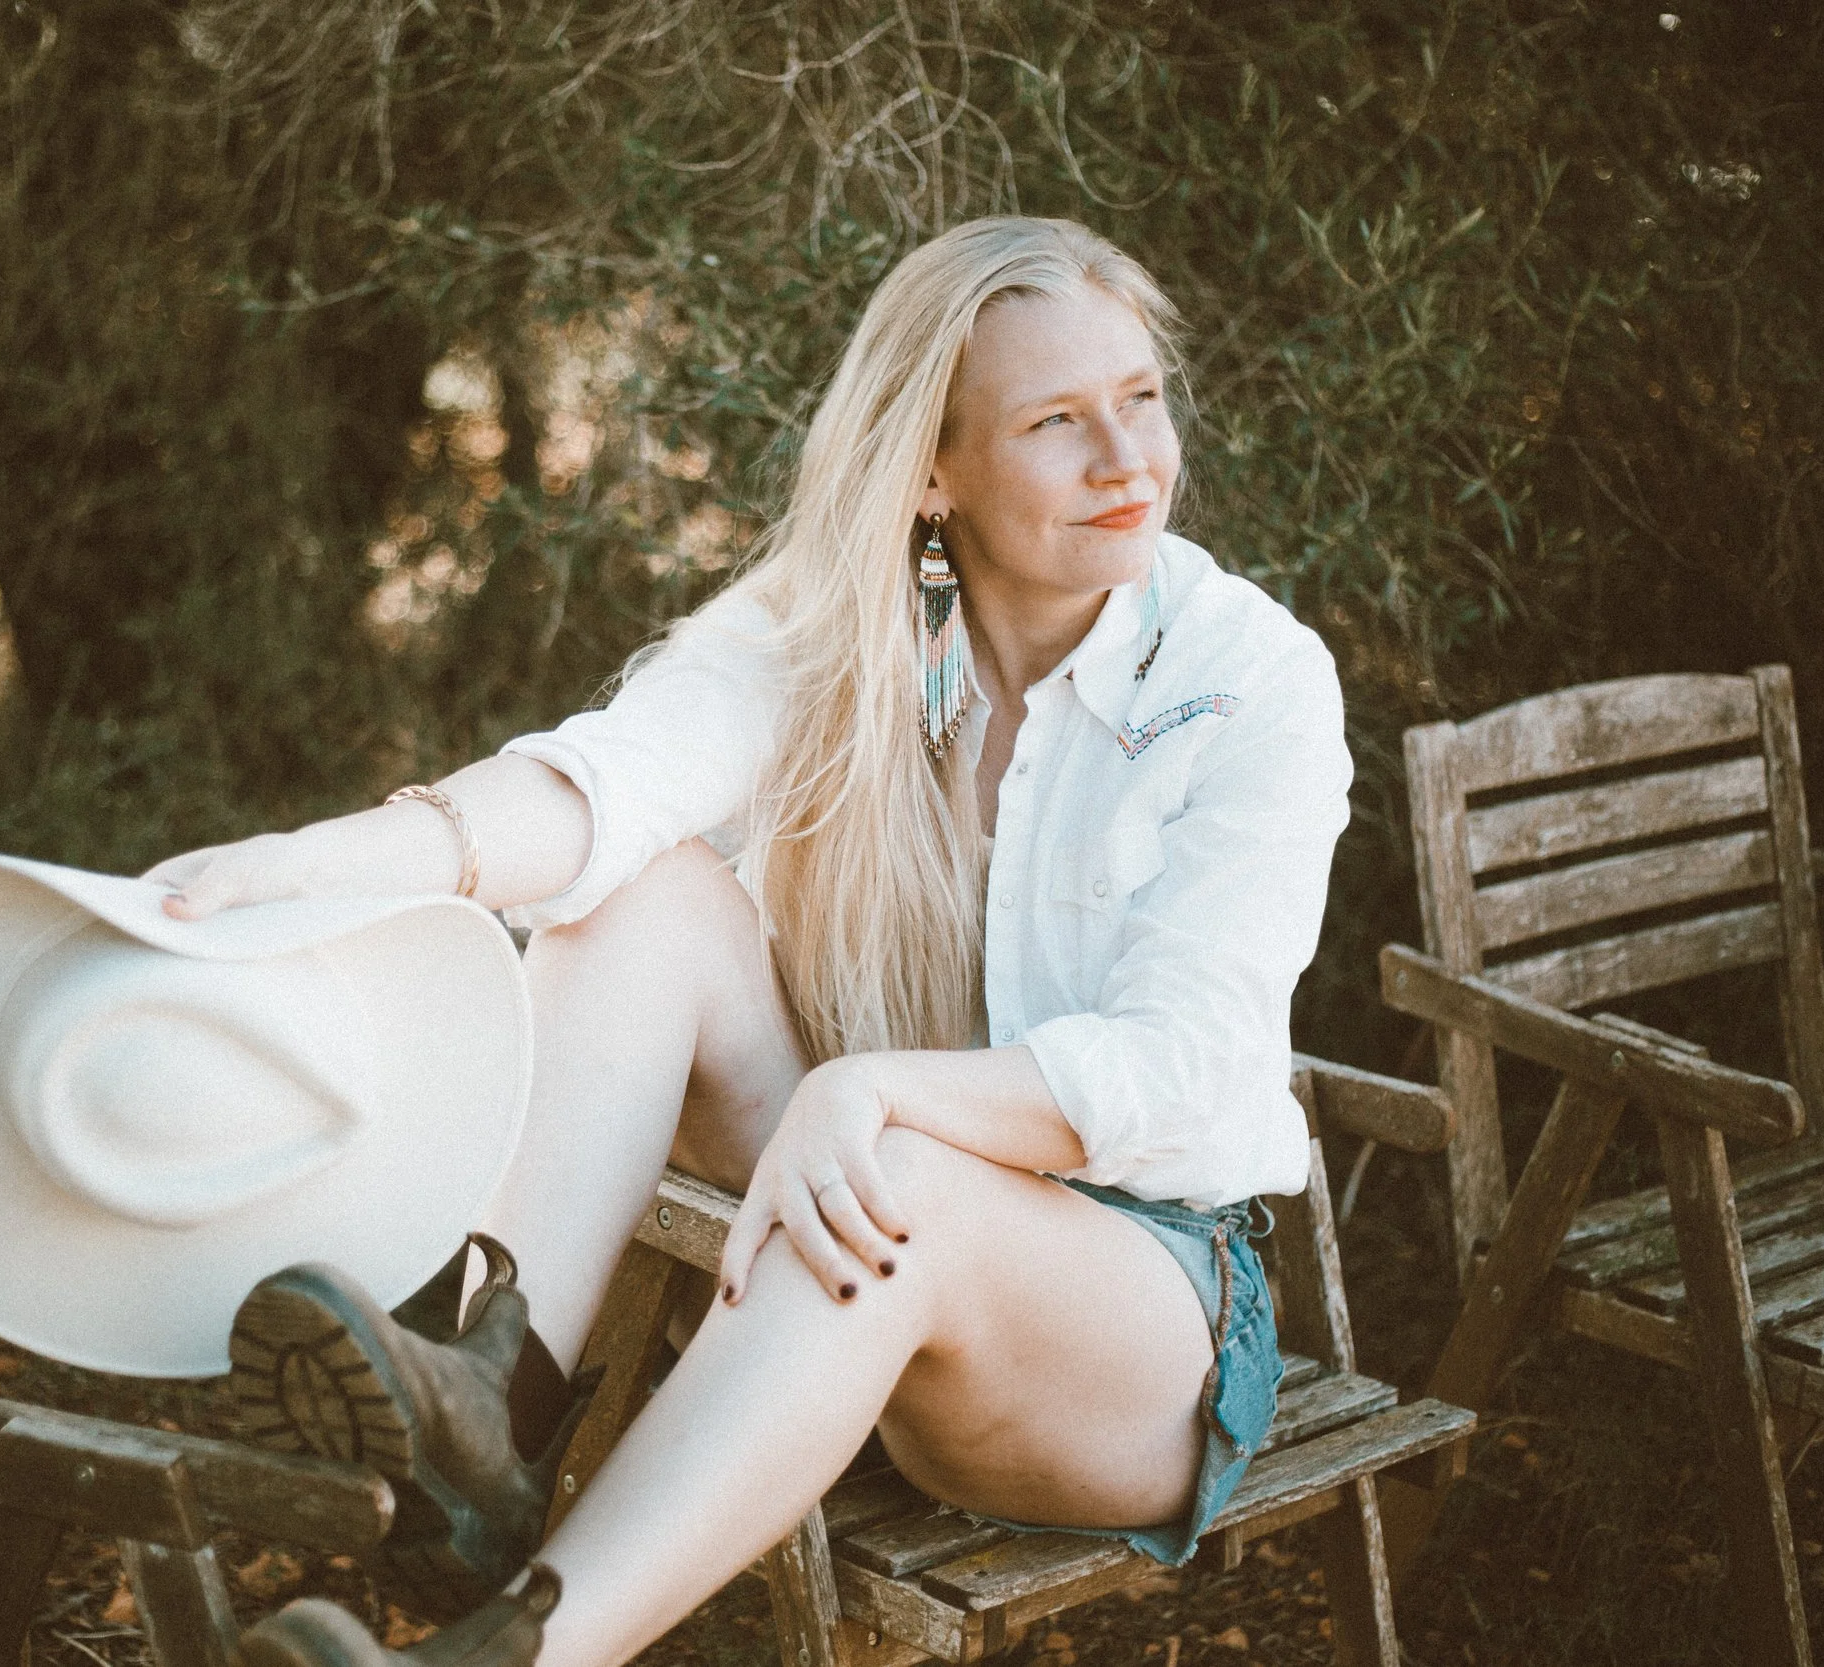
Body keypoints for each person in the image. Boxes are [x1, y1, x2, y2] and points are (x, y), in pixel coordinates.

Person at [149, 215, 1352, 1667]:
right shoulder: (839, 632)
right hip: (869, 1225)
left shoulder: (1248, 681)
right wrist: (325, 861)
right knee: (643, 889)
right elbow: (610, 781)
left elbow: (1186, 1066)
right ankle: (490, 1402)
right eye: (1055, 421)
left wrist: (884, 1089)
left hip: (1141, 1320)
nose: (1129, 458)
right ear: (931, 469)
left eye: (1141, 397)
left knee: (900, 1162)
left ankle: (523, 1655)